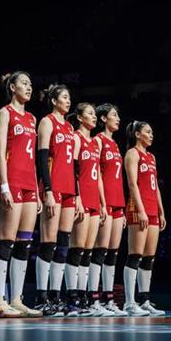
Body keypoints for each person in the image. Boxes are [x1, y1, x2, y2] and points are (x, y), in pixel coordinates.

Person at [0, 72, 42, 317]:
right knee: (6, 241)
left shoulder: (31, 118)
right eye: (24, 83)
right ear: (12, 87)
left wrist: (38, 191)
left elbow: (32, 158)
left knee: (24, 243)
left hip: (29, 183)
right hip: (11, 181)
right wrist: (4, 185)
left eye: (30, 84)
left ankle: (17, 299)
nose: (29, 88)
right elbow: (0, 152)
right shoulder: (4, 113)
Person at [34, 84, 76, 316]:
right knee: (48, 242)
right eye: (64, 97)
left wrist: (76, 194)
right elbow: (41, 158)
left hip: (69, 188)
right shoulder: (47, 122)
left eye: (69, 98)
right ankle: (41, 298)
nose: (68, 101)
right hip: (54, 186)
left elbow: (74, 165)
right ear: (53, 100)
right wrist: (47, 190)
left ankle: (54, 296)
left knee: (63, 244)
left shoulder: (69, 127)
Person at [64, 103, 108, 316]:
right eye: (90, 113)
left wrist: (103, 203)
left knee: (88, 252)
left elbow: (97, 175)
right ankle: (71, 298)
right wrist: (77, 197)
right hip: (81, 197)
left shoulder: (95, 143)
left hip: (94, 199)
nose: (94, 116)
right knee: (77, 248)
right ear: (80, 118)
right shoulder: (76, 138)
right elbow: (73, 170)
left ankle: (83, 297)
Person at [123, 121, 166, 316]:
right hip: (138, 207)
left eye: (152, 132)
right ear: (137, 134)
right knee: (135, 254)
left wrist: (161, 211)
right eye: (148, 132)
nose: (151, 135)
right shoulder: (132, 154)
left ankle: (144, 300)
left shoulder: (151, 157)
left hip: (152, 209)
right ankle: (129, 302)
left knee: (149, 257)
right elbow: (132, 184)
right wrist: (141, 210)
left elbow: (155, 186)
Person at [92, 104, 128, 316]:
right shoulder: (98, 141)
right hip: (103, 202)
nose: (118, 118)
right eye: (114, 115)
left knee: (113, 253)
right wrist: (102, 203)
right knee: (100, 251)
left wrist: (121, 207)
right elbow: (95, 172)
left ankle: (109, 300)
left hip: (117, 202)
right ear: (103, 118)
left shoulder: (115, 144)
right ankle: (94, 300)